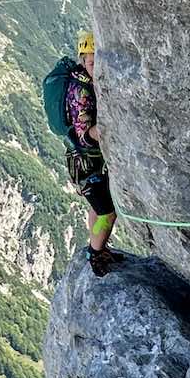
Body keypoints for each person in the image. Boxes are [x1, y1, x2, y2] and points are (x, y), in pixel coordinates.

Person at [66, 30, 122, 276]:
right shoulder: (81, 92)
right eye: (91, 62)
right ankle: (96, 255)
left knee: (97, 208)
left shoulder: (85, 82)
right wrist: (110, 128)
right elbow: (83, 135)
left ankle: (98, 247)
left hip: (88, 164)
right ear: (82, 60)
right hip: (86, 165)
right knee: (107, 214)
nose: (95, 66)